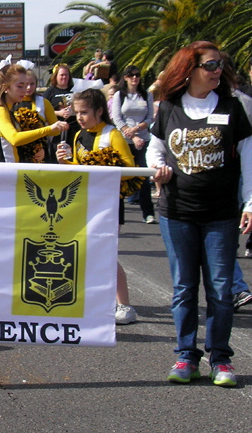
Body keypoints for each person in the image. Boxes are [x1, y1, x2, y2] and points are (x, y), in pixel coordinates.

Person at [148, 41, 252, 387]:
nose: (217, 71)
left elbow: (248, 156)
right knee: (183, 287)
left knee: (221, 290)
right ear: (189, 70)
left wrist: (250, 202)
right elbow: (156, 149)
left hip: (221, 213)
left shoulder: (232, 107)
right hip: (177, 212)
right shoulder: (169, 108)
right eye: (209, 65)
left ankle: (220, 359)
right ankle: (186, 356)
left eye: (220, 65)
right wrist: (158, 169)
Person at [56, 88, 138, 325]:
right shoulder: (78, 136)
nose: (79, 117)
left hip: (110, 204)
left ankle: (125, 305)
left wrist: (102, 168)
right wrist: (66, 161)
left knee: (107, 254)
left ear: (99, 111)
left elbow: (130, 171)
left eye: (84, 112)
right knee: (85, 253)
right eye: (77, 113)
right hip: (85, 203)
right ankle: (94, 301)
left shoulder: (112, 135)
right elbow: (79, 169)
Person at [0, 64, 67, 163]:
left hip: (12, 169)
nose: (25, 89)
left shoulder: (8, 109)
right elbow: (14, 138)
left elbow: (14, 144)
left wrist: (36, 149)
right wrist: (50, 128)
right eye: (20, 86)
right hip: (2, 171)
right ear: (5, 87)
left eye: (27, 84)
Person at [111, 65, 156, 223]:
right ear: (125, 78)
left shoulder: (146, 95)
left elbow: (150, 117)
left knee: (143, 176)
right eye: (131, 75)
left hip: (142, 139)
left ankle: (148, 213)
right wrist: (128, 132)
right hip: (124, 141)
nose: (134, 78)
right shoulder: (119, 95)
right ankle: (118, 214)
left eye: (137, 75)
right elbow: (116, 117)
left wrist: (136, 130)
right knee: (122, 177)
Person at [45, 64, 76, 149]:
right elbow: (43, 110)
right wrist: (59, 113)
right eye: (62, 75)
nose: (64, 77)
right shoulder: (50, 91)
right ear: (56, 76)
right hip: (57, 131)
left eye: (66, 75)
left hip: (74, 128)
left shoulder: (75, 89)